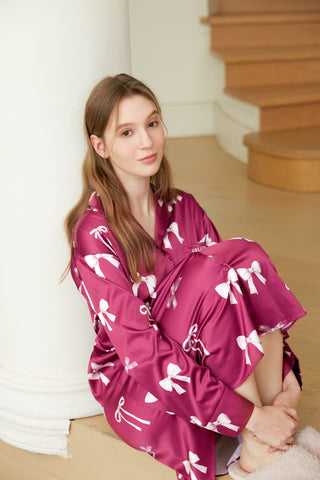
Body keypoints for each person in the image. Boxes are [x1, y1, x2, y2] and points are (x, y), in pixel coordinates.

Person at [64, 73, 307, 479]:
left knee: (244, 258)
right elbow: (143, 355)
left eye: (153, 124)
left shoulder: (183, 206)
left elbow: (238, 303)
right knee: (214, 273)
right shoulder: (94, 235)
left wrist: (287, 383)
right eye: (127, 132)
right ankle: (259, 436)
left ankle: (263, 436)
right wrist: (250, 416)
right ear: (100, 146)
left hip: (200, 364)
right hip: (140, 384)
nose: (147, 141)